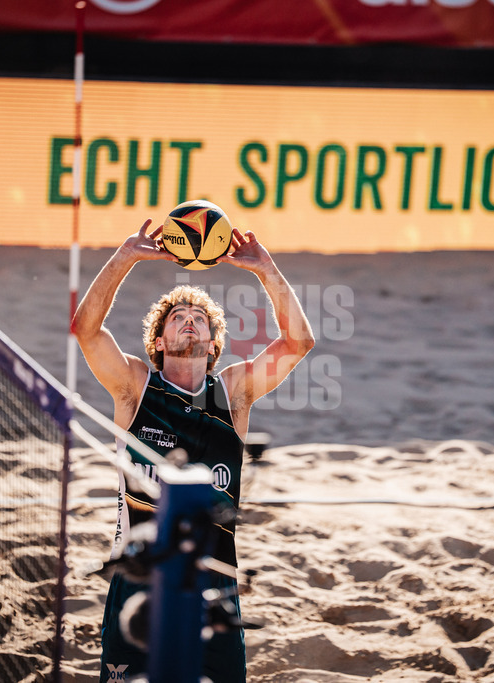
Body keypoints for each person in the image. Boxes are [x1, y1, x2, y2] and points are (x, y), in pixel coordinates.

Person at [72, 218, 315, 683]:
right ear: (159, 342)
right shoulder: (134, 386)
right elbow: (86, 330)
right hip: (140, 573)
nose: (189, 320)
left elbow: (299, 343)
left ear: (213, 342)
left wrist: (265, 270)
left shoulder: (235, 390)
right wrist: (125, 257)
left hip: (215, 575)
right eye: (177, 317)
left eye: (199, 318)